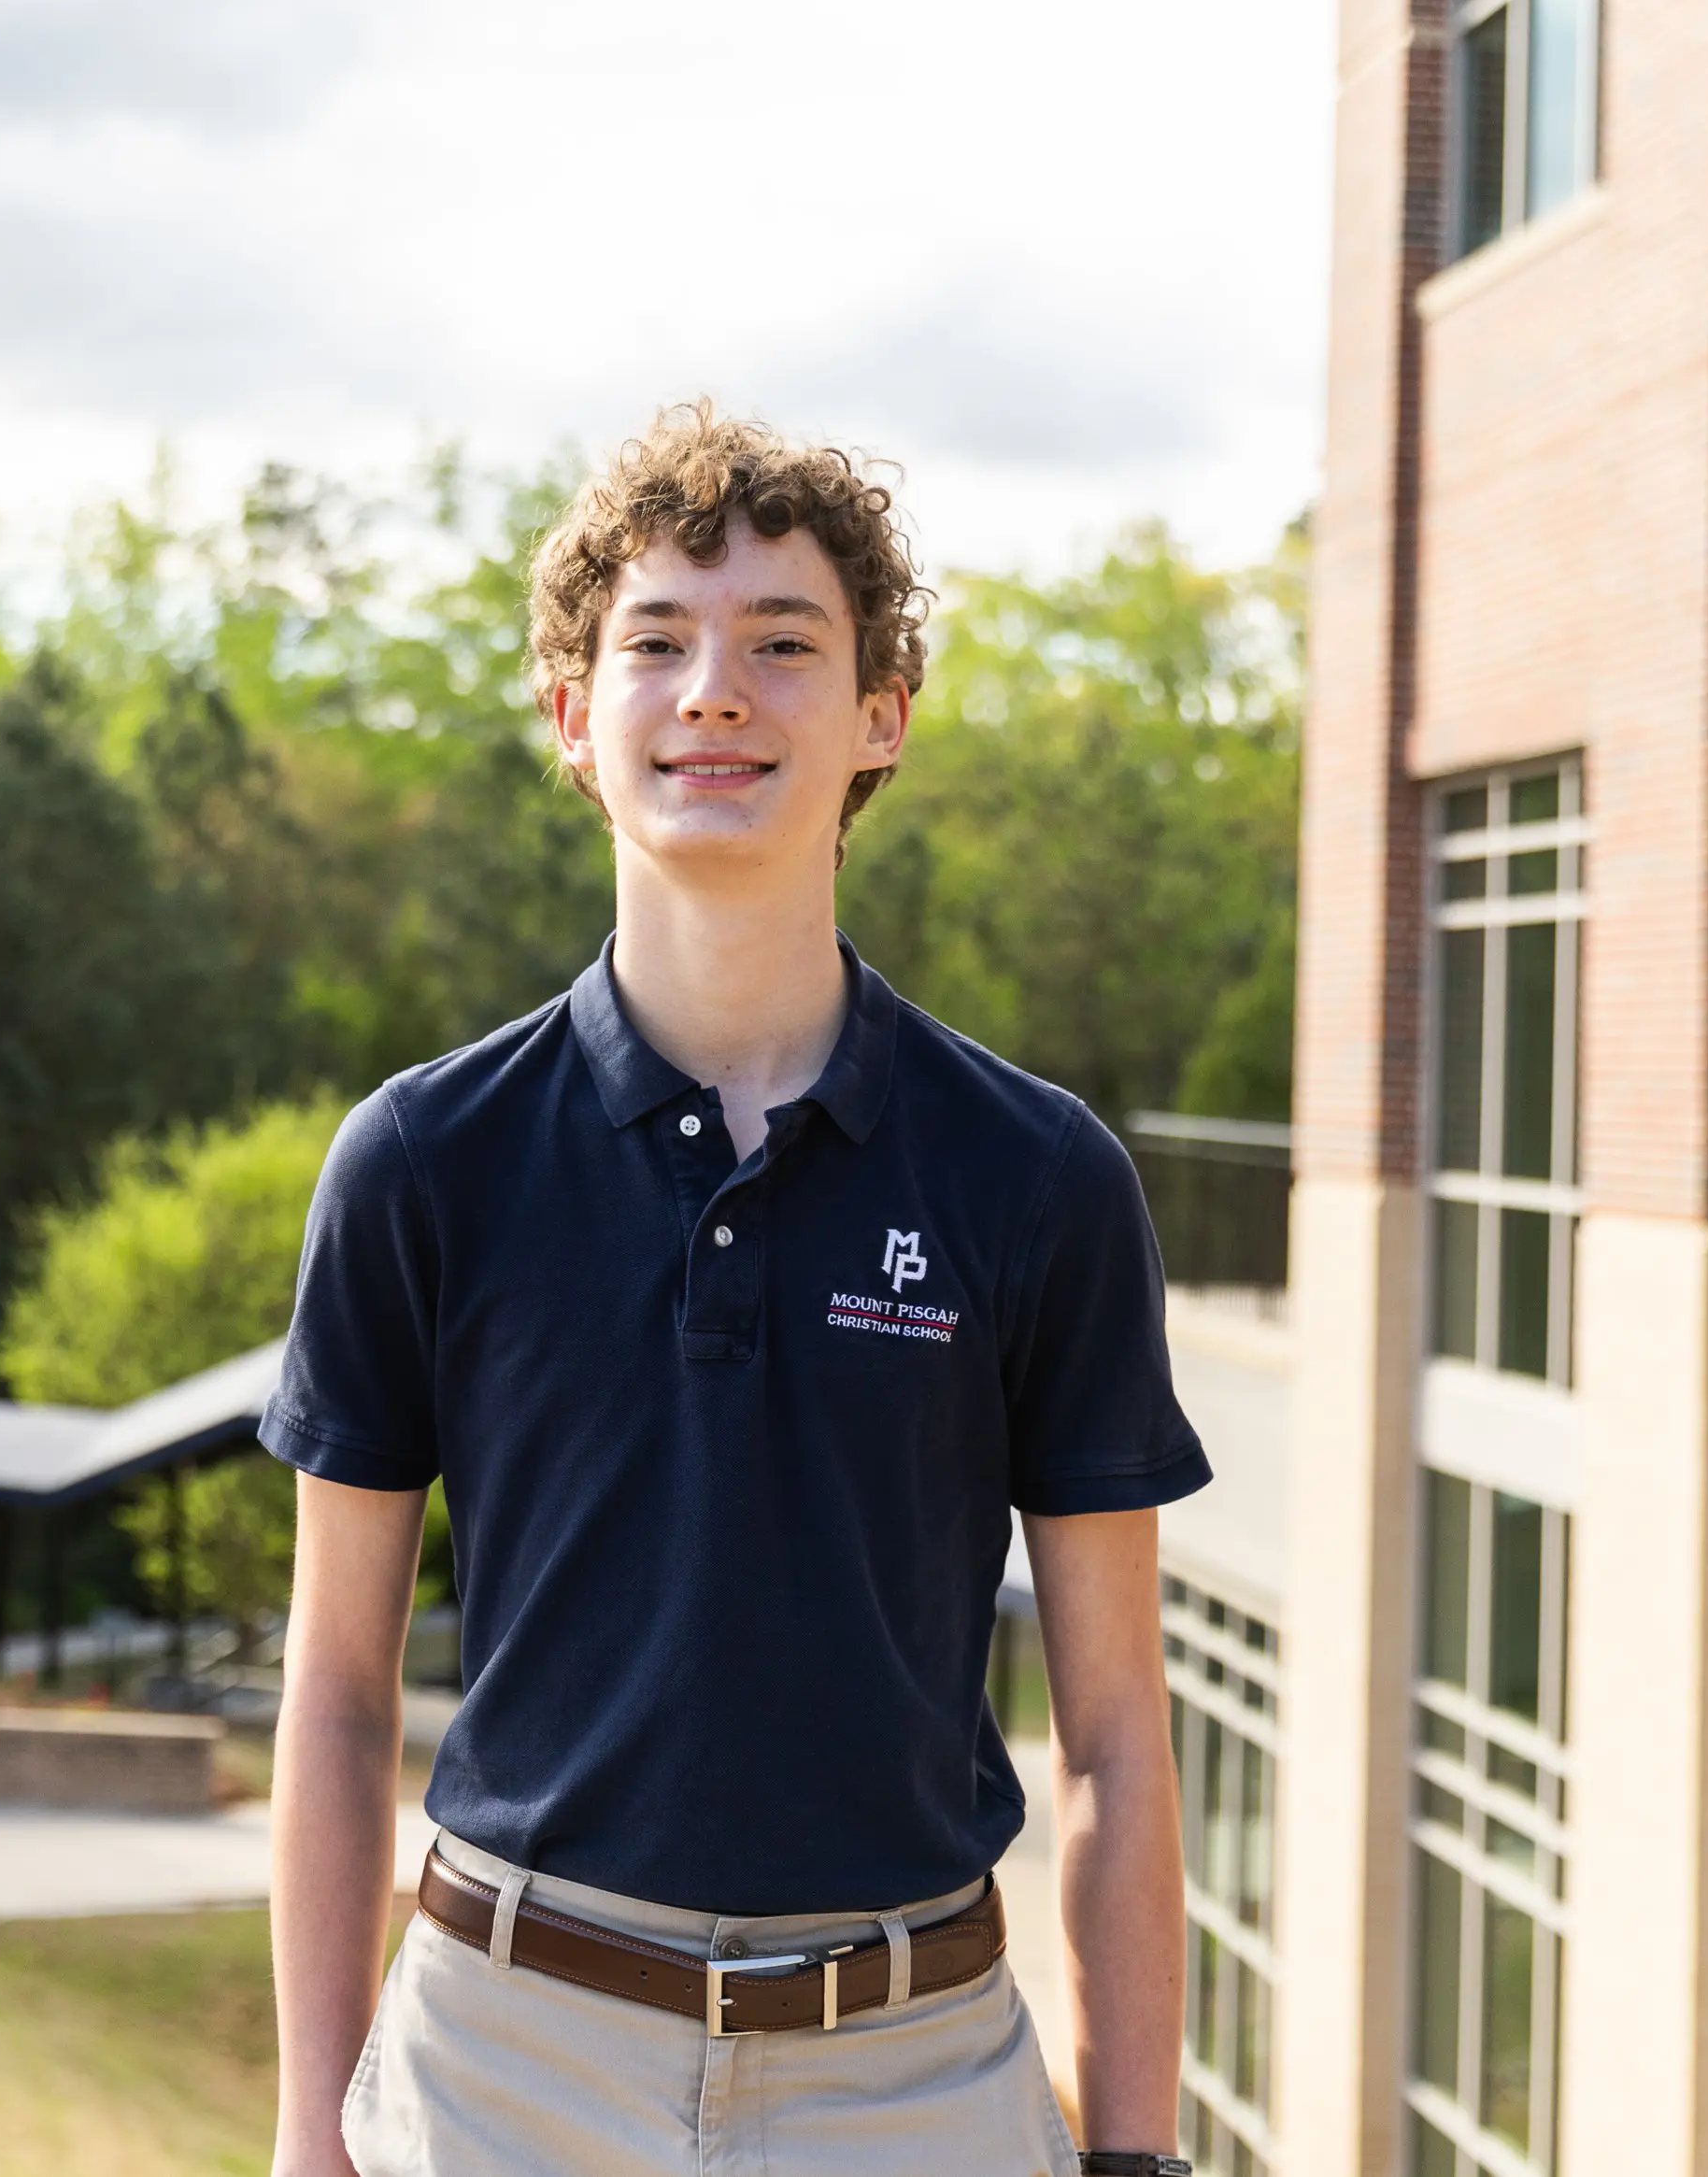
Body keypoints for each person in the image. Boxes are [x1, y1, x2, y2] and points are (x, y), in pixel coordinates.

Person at [261, 404, 1208, 2177]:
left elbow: (1113, 1737)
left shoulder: (1040, 1177)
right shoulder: (420, 1160)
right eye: (658, 644)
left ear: (879, 719)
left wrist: (1136, 2152)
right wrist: (313, 2137)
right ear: (573, 716)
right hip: (503, 2070)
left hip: (914, 2078)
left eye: (786, 644)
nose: (717, 691)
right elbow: (333, 1692)